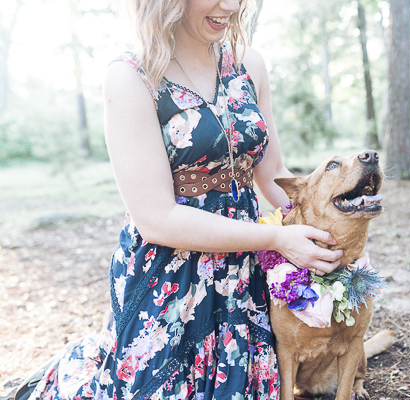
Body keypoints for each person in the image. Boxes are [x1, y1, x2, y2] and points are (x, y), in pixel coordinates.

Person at [22, 0, 343, 399]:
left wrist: (328, 231)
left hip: (243, 272)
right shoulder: (131, 77)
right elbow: (156, 219)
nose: (230, 6)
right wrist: (277, 240)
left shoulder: (250, 65)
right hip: (169, 276)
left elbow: (272, 174)